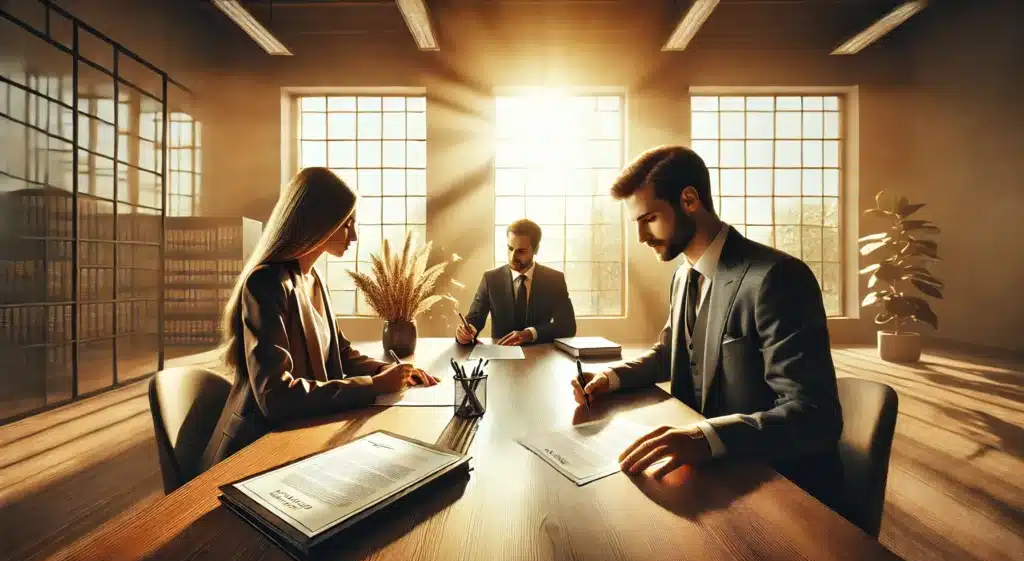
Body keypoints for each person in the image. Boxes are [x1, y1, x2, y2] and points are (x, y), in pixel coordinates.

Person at [571, 145, 845, 512]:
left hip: (778, 492)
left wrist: (706, 437)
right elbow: (670, 352)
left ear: (689, 200)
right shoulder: (684, 276)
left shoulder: (777, 278)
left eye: (648, 218)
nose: (640, 236)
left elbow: (814, 415)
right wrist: (610, 377)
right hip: (708, 481)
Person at [201, 167, 438, 469]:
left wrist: (392, 370)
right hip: (257, 451)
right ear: (317, 223)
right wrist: (375, 384)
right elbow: (275, 396)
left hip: (302, 433)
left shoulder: (315, 279)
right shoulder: (265, 283)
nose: (353, 235)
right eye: (345, 224)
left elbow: (340, 353)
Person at [456, 218, 577, 346]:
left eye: (521, 251)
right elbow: (474, 320)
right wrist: (465, 333)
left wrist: (531, 333)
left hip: (540, 356)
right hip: (501, 356)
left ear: (535, 249)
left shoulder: (554, 280)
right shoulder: (490, 279)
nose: (512, 257)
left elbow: (568, 326)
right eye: (510, 248)